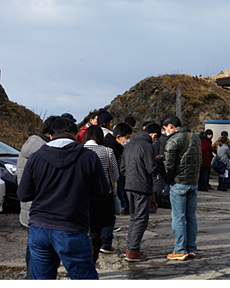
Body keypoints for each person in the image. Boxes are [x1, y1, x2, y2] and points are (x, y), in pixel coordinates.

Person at [17, 117, 110, 280]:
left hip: (39, 228)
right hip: (72, 228)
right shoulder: (89, 157)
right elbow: (102, 192)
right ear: (75, 135)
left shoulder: (36, 157)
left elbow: (23, 194)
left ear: (51, 136)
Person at [16, 115, 58, 279]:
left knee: (32, 248)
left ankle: (30, 277)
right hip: (39, 208)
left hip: (29, 207)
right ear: (51, 134)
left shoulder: (31, 145)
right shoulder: (42, 150)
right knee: (38, 252)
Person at [161, 115, 202, 261]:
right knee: (191, 217)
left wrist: (167, 180)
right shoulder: (196, 137)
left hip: (179, 183)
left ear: (170, 126)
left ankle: (179, 250)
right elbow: (199, 159)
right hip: (193, 182)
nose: (165, 132)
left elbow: (168, 166)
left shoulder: (172, 140)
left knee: (178, 217)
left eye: (165, 128)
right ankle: (191, 248)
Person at [119, 125, 158, 262]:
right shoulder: (147, 147)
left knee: (134, 217)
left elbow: (122, 168)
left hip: (129, 186)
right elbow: (151, 167)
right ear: (152, 135)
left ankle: (130, 247)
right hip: (142, 186)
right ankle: (133, 250)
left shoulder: (128, 146)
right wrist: (158, 161)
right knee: (141, 218)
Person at [82, 125, 119, 259]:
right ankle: (95, 252)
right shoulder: (108, 151)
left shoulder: (79, 150)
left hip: (83, 195)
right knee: (97, 228)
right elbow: (115, 175)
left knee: (83, 225)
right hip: (104, 194)